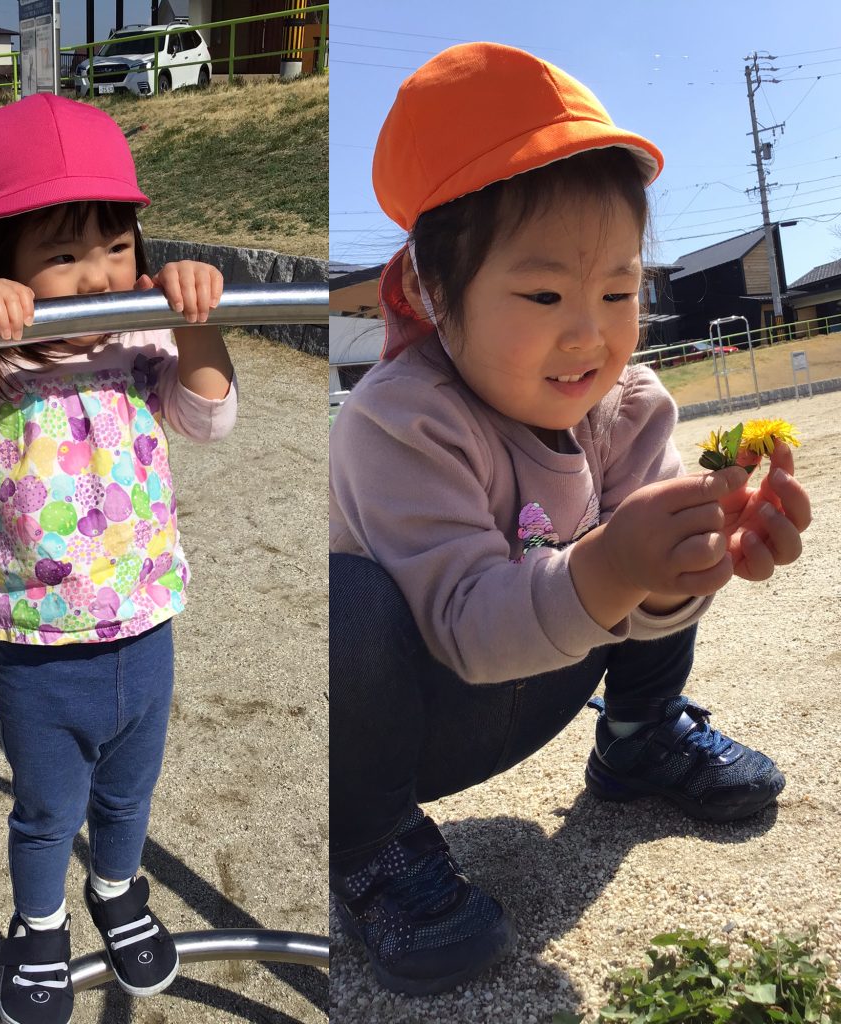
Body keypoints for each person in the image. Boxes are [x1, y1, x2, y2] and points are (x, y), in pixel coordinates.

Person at [328, 44, 812, 997]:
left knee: (655, 520)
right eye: (544, 294)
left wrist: (688, 565)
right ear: (432, 290)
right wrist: (609, 566)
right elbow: (464, 623)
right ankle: (372, 846)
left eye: (620, 291)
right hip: (425, 720)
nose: (590, 333)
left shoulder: (628, 405)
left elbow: (639, 596)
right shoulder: (399, 418)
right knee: (344, 606)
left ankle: (639, 737)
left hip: (550, 682)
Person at [0, 93, 236, 1024]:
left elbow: (210, 413)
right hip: (41, 648)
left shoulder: (138, 344)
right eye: (62, 255)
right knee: (48, 812)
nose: (101, 278)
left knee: (130, 797)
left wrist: (196, 318)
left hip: (146, 625)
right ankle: (41, 922)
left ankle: (118, 892)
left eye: (117, 247)